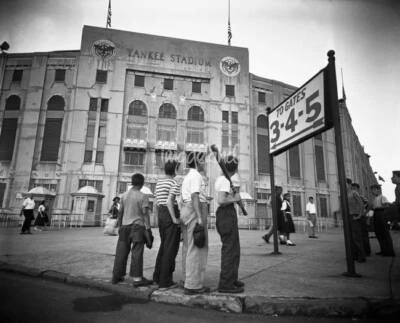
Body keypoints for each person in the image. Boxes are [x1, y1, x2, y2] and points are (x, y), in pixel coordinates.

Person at [112, 173, 153, 287]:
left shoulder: (124, 195)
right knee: (137, 252)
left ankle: (116, 276)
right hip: (137, 228)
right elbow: (145, 214)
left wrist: (119, 226)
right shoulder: (143, 196)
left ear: (132, 182)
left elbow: (120, 213)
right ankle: (137, 278)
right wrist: (148, 229)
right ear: (142, 183)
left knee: (121, 252)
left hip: (124, 227)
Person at [180, 151, 209, 295]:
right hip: (195, 209)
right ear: (197, 161)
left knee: (188, 246)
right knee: (196, 248)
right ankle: (193, 285)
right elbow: (194, 196)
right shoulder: (196, 176)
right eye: (203, 161)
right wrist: (199, 218)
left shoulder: (188, 176)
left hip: (186, 209)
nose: (205, 163)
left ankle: (187, 279)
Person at [214, 155, 244, 293]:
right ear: (236, 168)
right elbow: (221, 200)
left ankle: (232, 278)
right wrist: (234, 198)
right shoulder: (225, 180)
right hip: (225, 214)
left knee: (235, 249)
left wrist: (234, 198)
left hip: (227, 214)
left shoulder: (225, 179)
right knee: (229, 250)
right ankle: (226, 284)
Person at [153, 160, 181, 289]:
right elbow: (171, 202)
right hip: (170, 213)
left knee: (164, 245)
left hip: (161, 214)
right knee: (171, 247)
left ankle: (157, 276)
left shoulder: (159, 183)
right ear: (175, 170)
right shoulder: (174, 182)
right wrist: (175, 218)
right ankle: (165, 280)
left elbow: (156, 202)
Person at [371, 184, 395, 257]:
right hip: (376, 214)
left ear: (378, 190)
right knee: (379, 234)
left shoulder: (382, 197)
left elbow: (387, 205)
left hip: (381, 214)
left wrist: (380, 206)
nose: (372, 191)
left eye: (374, 189)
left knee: (384, 233)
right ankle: (383, 250)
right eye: (372, 190)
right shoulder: (375, 198)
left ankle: (389, 251)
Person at [347, 182, 366, 263]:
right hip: (349, 217)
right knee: (351, 238)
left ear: (349, 185)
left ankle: (361, 256)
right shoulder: (346, 194)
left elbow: (361, 203)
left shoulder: (353, 193)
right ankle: (354, 255)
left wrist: (360, 215)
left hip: (355, 216)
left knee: (356, 237)